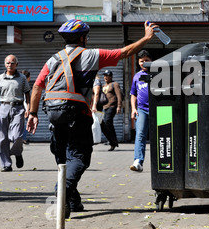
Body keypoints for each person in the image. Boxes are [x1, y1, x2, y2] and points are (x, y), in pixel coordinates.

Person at [26, 19, 155, 217]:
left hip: (54, 117)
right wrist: (146, 38)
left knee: (64, 161)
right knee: (79, 158)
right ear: (84, 38)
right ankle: (62, 189)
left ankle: (72, 202)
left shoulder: (53, 59)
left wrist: (33, 114)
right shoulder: (91, 55)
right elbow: (125, 52)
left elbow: (37, 86)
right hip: (78, 115)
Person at [0, 55, 31, 172]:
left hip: (18, 108)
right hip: (3, 107)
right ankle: (6, 164)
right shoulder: (0, 78)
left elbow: (27, 94)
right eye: (8, 63)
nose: (10, 65)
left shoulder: (22, 78)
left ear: (16, 65)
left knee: (17, 136)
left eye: (12, 63)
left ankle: (17, 153)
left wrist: (28, 107)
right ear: (5, 64)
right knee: (2, 138)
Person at [130, 49, 152, 172]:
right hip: (141, 110)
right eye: (141, 61)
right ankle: (138, 161)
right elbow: (133, 94)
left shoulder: (157, 73)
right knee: (140, 135)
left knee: (159, 136)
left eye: (147, 61)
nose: (144, 63)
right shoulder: (137, 76)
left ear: (151, 61)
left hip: (157, 109)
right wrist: (133, 109)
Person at [100, 70, 122, 151]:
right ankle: (112, 141)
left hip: (112, 106)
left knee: (107, 122)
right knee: (106, 124)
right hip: (104, 107)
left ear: (111, 76)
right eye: (104, 75)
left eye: (107, 75)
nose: (105, 77)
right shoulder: (103, 85)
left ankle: (113, 141)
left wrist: (119, 106)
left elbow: (119, 95)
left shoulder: (114, 84)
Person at [21, 70, 31, 144]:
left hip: (21, 107)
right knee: (25, 124)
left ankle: (22, 138)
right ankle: (22, 138)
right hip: (23, 108)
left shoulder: (20, 84)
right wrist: (27, 109)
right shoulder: (24, 85)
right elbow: (25, 99)